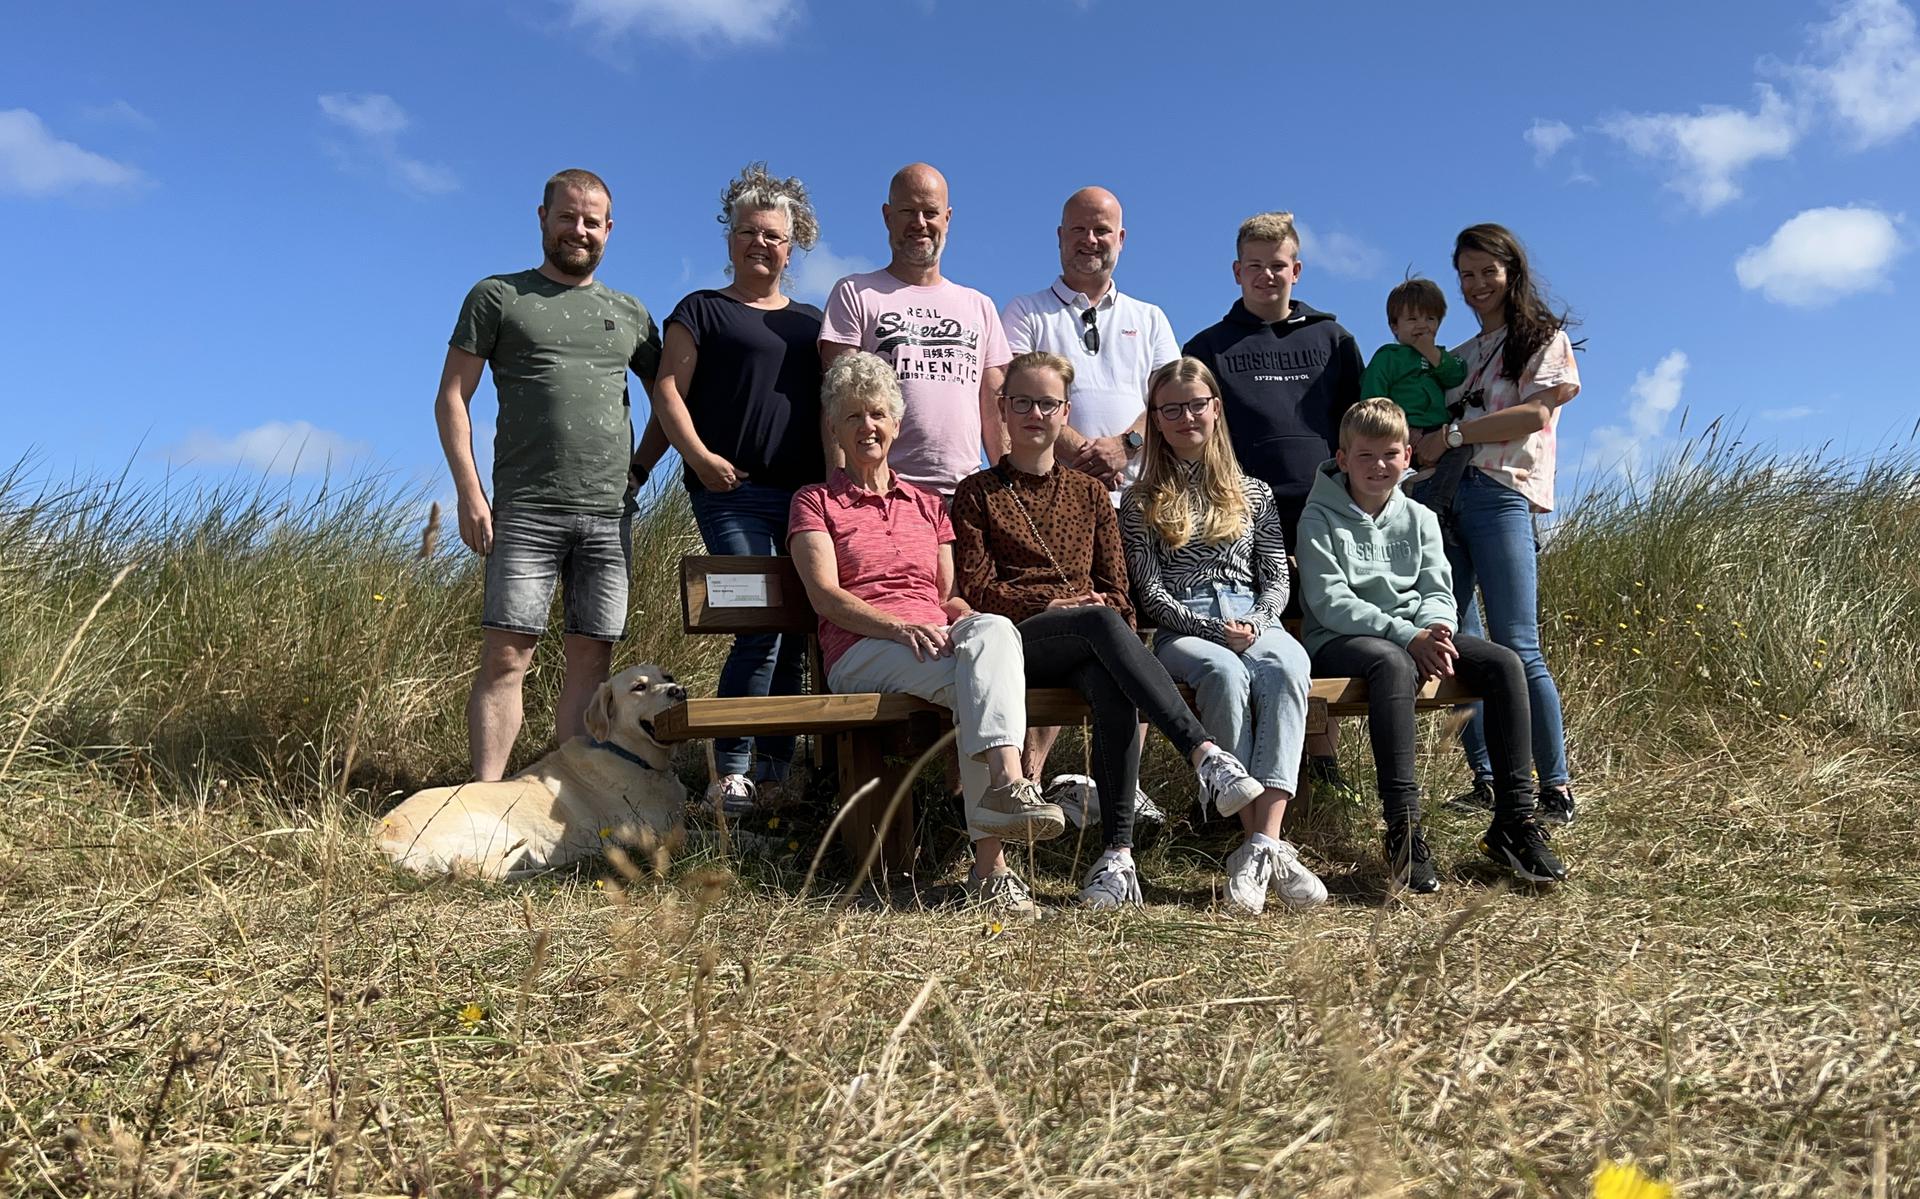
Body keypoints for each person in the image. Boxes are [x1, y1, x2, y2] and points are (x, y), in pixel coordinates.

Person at [951, 351, 1270, 911]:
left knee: (1111, 674)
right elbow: (979, 592)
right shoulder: (977, 493)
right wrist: (1059, 601)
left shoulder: (1091, 493)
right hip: (1019, 643)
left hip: (1090, 644)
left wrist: (1096, 608)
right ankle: (1201, 751)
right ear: (1001, 408)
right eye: (1021, 401)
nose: (1033, 413)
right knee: (1099, 620)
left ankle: (1115, 860)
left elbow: (1121, 592)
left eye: (1047, 403)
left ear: (1064, 412)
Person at [789, 351, 1064, 918]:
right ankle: (995, 859)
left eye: (877, 414)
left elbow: (946, 595)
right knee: (974, 678)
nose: (867, 426)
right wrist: (897, 626)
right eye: (852, 417)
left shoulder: (927, 504)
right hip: (862, 647)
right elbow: (824, 596)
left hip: (932, 641)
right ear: (836, 429)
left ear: (896, 422)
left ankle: (1002, 802)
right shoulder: (815, 502)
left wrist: (966, 623)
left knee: (991, 633)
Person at [434, 168, 662, 780]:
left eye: (592, 221)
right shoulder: (498, 296)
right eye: (568, 217)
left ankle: (571, 804)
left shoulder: (632, 313)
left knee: (591, 662)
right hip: (526, 509)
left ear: (609, 230)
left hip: (609, 515)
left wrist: (638, 471)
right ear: (543, 217)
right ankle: (486, 798)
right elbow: (453, 396)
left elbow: (668, 398)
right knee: (508, 656)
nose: (579, 230)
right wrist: (469, 493)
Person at [1298, 398, 1568, 890]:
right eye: (1365, 456)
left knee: (1504, 663)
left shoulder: (1419, 516)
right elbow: (1330, 600)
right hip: (1342, 640)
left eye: (1391, 454)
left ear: (1407, 457)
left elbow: (1438, 588)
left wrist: (1438, 630)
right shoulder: (1319, 516)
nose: (1379, 466)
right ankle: (1403, 828)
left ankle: (1513, 820)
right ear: (1342, 459)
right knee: (1391, 664)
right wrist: (1409, 635)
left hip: (1417, 635)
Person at [649, 163, 826, 815]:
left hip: (805, 499)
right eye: (749, 231)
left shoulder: (812, 324)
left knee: (797, 623)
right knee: (758, 622)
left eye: (774, 235)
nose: (761, 243)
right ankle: (730, 771)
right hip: (730, 493)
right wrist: (699, 458)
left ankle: (778, 772)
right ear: (730, 238)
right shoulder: (702, 310)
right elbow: (668, 388)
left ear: (793, 244)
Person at [999, 186, 1180, 823]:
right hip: (1052, 497)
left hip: (1139, 503)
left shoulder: (1151, 317)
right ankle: (1027, 782)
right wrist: (1082, 450)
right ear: (1059, 236)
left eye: (1102, 230)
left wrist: (1126, 443)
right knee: (1069, 629)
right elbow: (1024, 390)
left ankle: (1121, 786)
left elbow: (1169, 395)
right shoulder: (1025, 311)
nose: (1090, 240)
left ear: (1121, 239)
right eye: (1078, 229)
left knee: (1134, 634)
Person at [1120, 358, 1326, 914]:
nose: (1186, 416)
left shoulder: (1253, 492)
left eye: (1196, 404)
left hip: (1255, 615)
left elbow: (1277, 575)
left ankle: (1261, 845)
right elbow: (1148, 592)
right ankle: (1254, 840)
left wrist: (1257, 622)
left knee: (1287, 666)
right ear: (1156, 420)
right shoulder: (1139, 502)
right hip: (1181, 624)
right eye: (1171, 409)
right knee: (1222, 672)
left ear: (1215, 408)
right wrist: (1214, 630)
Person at [1182, 209, 1365, 791]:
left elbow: (1356, 426)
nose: (1267, 276)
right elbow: (1197, 431)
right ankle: (1241, 767)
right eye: (1254, 267)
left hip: (1323, 508)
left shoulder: (1334, 340)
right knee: (1247, 632)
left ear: (1298, 270)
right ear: (1236, 271)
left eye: (1278, 266)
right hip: (1239, 512)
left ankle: (1320, 756)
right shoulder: (1209, 345)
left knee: (1319, 624)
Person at [1416, 224, 1580, 825]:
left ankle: (1554, 783)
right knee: (1457, 642)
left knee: (1518, 642)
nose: (1477, 284)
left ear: (1512, 271)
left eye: (1488, 271)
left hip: (1501, 493)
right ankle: (1487, 777)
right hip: (1444, 497)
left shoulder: (1542, 339)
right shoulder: (1459, 356)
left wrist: (1452, 435)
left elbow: (1534, 413)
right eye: (1467, 274)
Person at [818, 163, 1010, 498]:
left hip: (966, 497)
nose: (919, 223)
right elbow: (836, 403)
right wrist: (843, 493)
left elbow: (995, 412)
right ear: (887, 216)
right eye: (908, 210)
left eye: (930, 212)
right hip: (884, 494)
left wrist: (1009, 489)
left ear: (947, 218)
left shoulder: (980, 306)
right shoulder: (855, 294)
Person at [1359, 277, 1470, 524]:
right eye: (1412, 319)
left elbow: (1457, 375)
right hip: (1401, 431)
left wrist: (1431, 352)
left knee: (1463, 447)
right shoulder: (1389, 356)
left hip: (1436, 432)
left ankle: (1437, 505)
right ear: (1394, 326)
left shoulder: (1440, 356)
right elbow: (1373, 398)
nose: (1422, 325)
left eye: (1430, 319)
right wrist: (1396, 432)